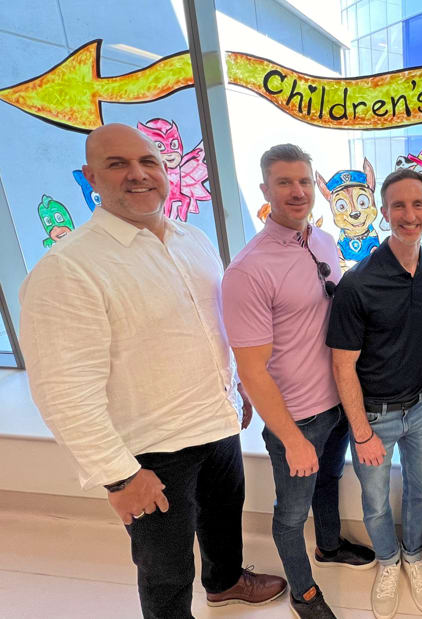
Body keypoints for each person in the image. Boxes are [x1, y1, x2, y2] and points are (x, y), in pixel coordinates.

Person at [18, 124, 286, 618]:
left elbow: (214, 326)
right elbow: (62, 392)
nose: (138, 174)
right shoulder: (68, 268)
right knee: (164, 568)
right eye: (118, 164)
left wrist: (238, 388)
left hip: (216, 422)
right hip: (151, 452)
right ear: (90, 177)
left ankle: (225, 583)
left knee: (222, 521)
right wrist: (120, 478)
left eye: (149, 162)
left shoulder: (193, 238)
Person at [222, 144, 375, 619]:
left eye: (305, 181)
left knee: (330, 479)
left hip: (338, 403)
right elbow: (250, 369)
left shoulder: (322, 240)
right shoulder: (248, 270)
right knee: (291, 513)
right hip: (297, 418)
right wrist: (290, 438)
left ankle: (329, 546)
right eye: (285, 183)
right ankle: (303, 593)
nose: (297, 191)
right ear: (265, 190)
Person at [327, 167, 422, 619]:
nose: (409, 214)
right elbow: (342, 364)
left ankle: (413, 556)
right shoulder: (358, 284)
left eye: (417, 204)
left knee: (420, 491)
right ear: (382, 211)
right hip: (373, 415)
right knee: (374, 501)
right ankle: (389, 562)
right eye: (398, 205)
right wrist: (362, 431)